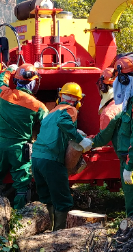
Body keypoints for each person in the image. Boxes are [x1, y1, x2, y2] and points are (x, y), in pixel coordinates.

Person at [91, 56, 133, 216]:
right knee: (132, 202)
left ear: (125, 80)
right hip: (129, 160)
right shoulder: (131, 99)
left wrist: (131, 165)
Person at [31, 82, 92, 230]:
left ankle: (46, 230)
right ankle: (58, 235)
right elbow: (64, 123)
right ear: (77, 101)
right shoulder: (70, 110)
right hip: (51, 161)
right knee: (63, 201)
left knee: (46, 198)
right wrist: (81, 140)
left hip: (37, 159)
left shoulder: (52, 112)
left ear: (60, 96)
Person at [0, 63, 47, 210]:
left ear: (17, 81)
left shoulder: (5, 94)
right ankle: (19, 217)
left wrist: (10, 69)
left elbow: (0, 80)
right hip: (20, 150)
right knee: (22, 184)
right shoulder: (38, 105)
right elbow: (48, 124)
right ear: (32, 83)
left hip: (0, 146)